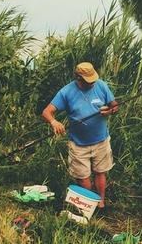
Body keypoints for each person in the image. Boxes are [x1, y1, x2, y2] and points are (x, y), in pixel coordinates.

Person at [42, 62, 118, 209]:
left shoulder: (101, 85)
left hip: (101, 140)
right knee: (82, 177)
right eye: (88, 80)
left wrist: (109, 111)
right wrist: (54, 122)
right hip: (78, 143)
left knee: (100, 172)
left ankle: (100, 202)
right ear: (78, 78)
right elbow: (47, 111)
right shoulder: (66, 92)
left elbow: (115, 105)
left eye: (93, 79)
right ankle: (87, 204)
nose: (92, 83)